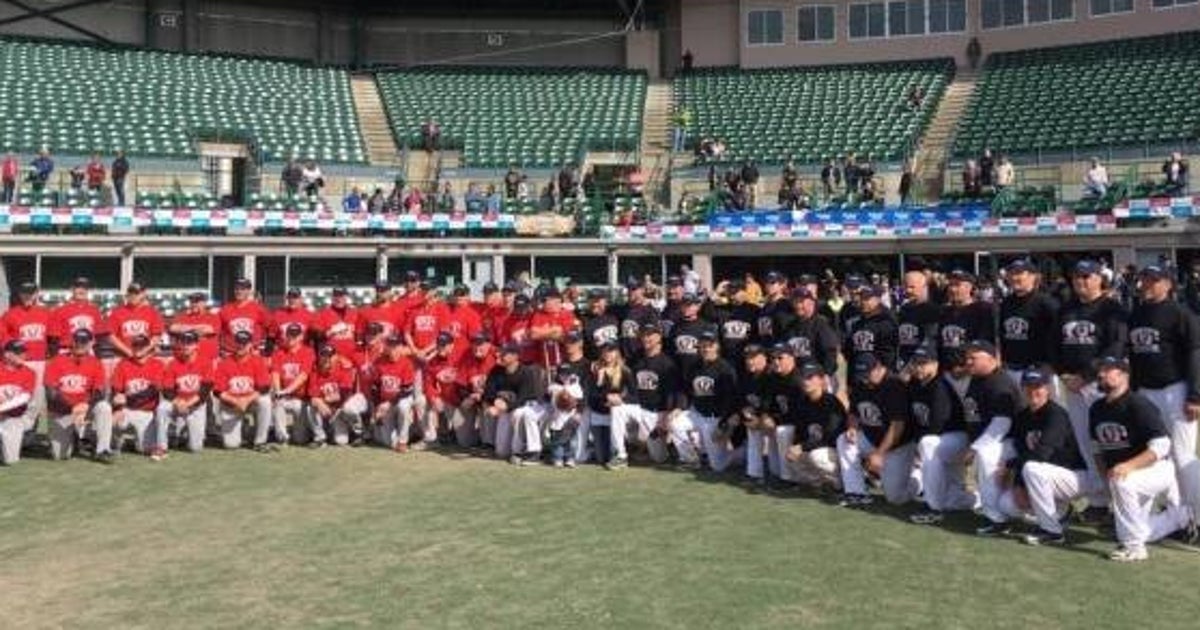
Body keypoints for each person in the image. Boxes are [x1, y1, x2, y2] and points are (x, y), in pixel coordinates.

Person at [1089, 356, 1195, 562]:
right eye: (1100, 370)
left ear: (1124, 375)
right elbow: (1097, 449)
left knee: (1121, 484)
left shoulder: (1138, 404)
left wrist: (1128, 466)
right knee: (1132, 528)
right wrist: (1105, 479)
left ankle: (1136, 549)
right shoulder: (1096, 409)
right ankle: (1179, 517)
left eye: (1109, 370)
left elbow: (1162, 446)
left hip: (1156, 470)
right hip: (1127, 477)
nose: (1101, 374)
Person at [1056, 259, 1128, 512]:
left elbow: (1116, 346)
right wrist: (1062, 373)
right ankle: (1099, 500)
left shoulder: (1112, 308)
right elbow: (1055, 343)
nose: (1081, 281)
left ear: (1100, 279)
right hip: (1072, 384)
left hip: (1101, 384)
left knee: (1110, 440)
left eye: (1087, 277)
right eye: (1077, 276)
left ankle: (1121, 502)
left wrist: (1086, 375)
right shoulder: (1066, 309)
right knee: (1086, 441)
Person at [1127, 265, 1200, 514]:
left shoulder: (1181, 314)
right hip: (1145, 392)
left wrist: (1194, 395)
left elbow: (1194, 355)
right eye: (1145, 279)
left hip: (1175, 390)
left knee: (1182, 455)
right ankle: (1175, 511)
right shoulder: (1136, 313)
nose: (1148, 285)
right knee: (1155, 454)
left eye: (1155, 280)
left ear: (1168, 284)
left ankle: (1196, 515)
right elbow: (1134, 357)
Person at [1013, 368, 1089, 546]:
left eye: (1038, 386)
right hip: (1050, 477)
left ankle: (1051, 531)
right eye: (1028, 387)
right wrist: (1018, 484)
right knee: (1007, 505)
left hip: (1076, 477)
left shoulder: (1056, 414)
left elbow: (1042, 454)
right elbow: (1022, 451)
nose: (1033, 392)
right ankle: (1061, 511)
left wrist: (1016, 475)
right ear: (1022, 389)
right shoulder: (1023, 417)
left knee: (1032, 468)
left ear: (1048, 389)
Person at [962, 341, 1026, 536]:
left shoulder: (1000, 383)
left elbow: (1002, 424)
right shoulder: (978, 378)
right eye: (967, 357)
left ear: (991, 358)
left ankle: (997, 519)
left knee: (986, 454)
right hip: (990, 439)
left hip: (1010, 442)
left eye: (974, 357)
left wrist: (974, 448)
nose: (968, 361)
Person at [837, 353, 918, 506]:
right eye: (861, 375)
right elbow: (853, 412)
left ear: (879, 368)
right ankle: (856, 492)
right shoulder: (861, 384)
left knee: (895, 498)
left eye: (867, 374)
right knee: (844, 440)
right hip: (872, 439)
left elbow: (897, 426)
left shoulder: (894, 385)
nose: (864, 379)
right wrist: (852, 427)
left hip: (898, 445)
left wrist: (879, 454)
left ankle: (918, 477)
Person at [907, 347, 976, 524]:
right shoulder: (914, 384)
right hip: (942, 441)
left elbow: (936, 425)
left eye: (923, 363)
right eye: (916, 363)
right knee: (950, 497)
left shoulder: (939, 387)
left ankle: (933, 508)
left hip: (957, 438)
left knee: (927, 443)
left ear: (936, 365)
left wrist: (918, 448)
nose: (918, 367)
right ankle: (976, 499)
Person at [45, 330, 112, 462]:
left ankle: (102, 449)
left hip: (84, 410)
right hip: (62, 411)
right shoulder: (57, 361)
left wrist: (86, 406)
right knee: (59, 456)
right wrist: (72, 407)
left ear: (90, 343)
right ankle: (75, 438)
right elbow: (51, 393)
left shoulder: (96, 362)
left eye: (84, 342)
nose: (80, 345)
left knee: (104, 407)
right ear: (72, 342)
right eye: (77, 341)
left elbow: (100, 392)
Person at [675, 332, 739, 471]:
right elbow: (686, 390)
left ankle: (739, 454)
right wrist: (679, 408)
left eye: (709, 346)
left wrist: (723, 424)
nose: (705, 349)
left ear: (716, 346)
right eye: (702, 346)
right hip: (697, 413)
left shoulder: (725, 369)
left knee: (717, 466)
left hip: (714, 417)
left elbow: (731, 398)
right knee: (676, 424)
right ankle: (691, 460)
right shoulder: (694, 366)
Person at [482, 342, 547, 465]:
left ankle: (524, 450)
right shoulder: (496, 370)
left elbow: (523, 399)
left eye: (505, 353)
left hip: (527, 407)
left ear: (515, 356)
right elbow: (487, 393)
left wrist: (504, 407)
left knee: (518, 413)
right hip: (506, 409)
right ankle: (516, 449)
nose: (500, 355)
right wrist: (494, 401)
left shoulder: (526, 372)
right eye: (501, 352)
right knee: (501, 452)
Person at [783, 362, 844, 490]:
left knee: (817, 456)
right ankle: (821, 482)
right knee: (792, 458)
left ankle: (841, 481)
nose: (806, 381)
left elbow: (831, 437)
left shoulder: (831, 403)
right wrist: (795, 447)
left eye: (810, 378)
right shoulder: (802, 402)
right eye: (803, 377)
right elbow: (800, 431)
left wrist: (803, 447)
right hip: (814, 448)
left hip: (834, 452)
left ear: (822, 380)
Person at [998, 259, 1059, 385]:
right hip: (1011, 368)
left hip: (1039, 370)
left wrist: (1051, 365)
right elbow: (1002, 334)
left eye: (1019, 274)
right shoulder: (1006, 303)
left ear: (1032, 277)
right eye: (1011, 274)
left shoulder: (1046, 303)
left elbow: (1059, 335)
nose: (1014, 277)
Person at [110, 335, 168, 461]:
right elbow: (116, 390)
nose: (138, 349)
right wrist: (118, 408)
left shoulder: (157, 364)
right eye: (135, 345)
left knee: (144, 449)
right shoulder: (123, 364)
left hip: (146, 412)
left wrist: (127, 398)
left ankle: (132, 441)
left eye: (142, 346)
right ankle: (115, 441)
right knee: (112, 418)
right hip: (127, 410)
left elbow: (152, 392)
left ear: (148, 347)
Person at [214, 330, 273, 451]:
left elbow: (264, 387)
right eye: (238, 342)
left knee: (265, 401)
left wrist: (246, 400)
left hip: (250, 402)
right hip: (230, 404)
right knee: (231, 445)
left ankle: (260, 441)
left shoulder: (258, 360)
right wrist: (236, 401)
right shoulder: (224, 363)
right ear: (234, 343)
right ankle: (243, 424)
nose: (241, 346)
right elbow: (218, 391)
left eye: (244, 343)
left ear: (250, 345)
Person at [159, 331, 213, 453]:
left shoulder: (206, 362)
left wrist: (188, 404)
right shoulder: (173, 363)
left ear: (196, 345)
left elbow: (205, 391)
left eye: (189, 343)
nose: (185, 346)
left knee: (196, 448)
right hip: (177, 403)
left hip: (196, 405)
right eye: (183, 342)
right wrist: (179, 402)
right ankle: (162, 445)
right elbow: (167, 390)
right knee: (162, 408)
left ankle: (181, 430)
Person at [586, 340, 637, 469]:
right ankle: (592, 449)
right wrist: (600, 381)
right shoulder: (596, 370)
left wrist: (620, 399)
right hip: (598, 413)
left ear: (617, 353)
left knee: (609, 455)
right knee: (601, 458)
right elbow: (591, 395)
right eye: (605, 351)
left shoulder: (625, 371)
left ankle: (623, 453)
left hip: (615, 415)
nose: (608, 354)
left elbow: (634, 395)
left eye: (611, 350)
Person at [306, 344, 368, 448]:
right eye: (324, 355)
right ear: (319, 357)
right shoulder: (315, 372)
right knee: (341, 441)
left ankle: (359, 433)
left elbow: (344, 394)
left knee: (349, 408)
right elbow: (312, 395)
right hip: (336, 410)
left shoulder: (345, 368)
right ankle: (320, 438)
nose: (327, 359)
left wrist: (323, 400)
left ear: (336, 357)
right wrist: (318, 401)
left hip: (352, 401)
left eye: (330, 356)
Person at [369, 335, 420, 452]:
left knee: (403, 407)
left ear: (401, 348)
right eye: (390, 347)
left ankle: (403, 441)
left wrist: (388, 403)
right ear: (386, 348)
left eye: (395, 347)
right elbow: (375, 387)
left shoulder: (407, 363)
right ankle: (409, 433)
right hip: (385, 404)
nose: (393, 350)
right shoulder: (379, 362)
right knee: (388, 443)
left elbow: (406, 390)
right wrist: (378, 407)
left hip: (401, 399)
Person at [271, 324, 314, 446]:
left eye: (295, 336)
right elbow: (275, 373)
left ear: (301, 337)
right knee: (277, 403)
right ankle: (282, 437)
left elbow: (303, 376)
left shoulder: (308, 352)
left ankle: (303, 431)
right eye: (289, 335)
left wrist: (287, 390)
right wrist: (279, 392)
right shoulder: (279, 353)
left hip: (301, 399)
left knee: (300, 439)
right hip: (284, 397)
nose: (291, 338)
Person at [0, 340, 39, 465]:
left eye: (24, 352)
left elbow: (24, 398)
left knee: (10, 460)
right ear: (7, 354)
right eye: (18, 353)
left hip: (14, 418)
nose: (23, 355)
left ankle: (21, 438)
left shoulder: (29, 373)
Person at [219, 278, 271, 356]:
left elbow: (270, 328)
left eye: (243, 289)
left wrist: (263, 348)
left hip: (252, 354)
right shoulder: (225, 309)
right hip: (230, 354)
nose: (239, 292)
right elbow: (219, 331)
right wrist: (221, 349)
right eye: (237, 289)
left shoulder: (259, 309)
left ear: (249, 291)